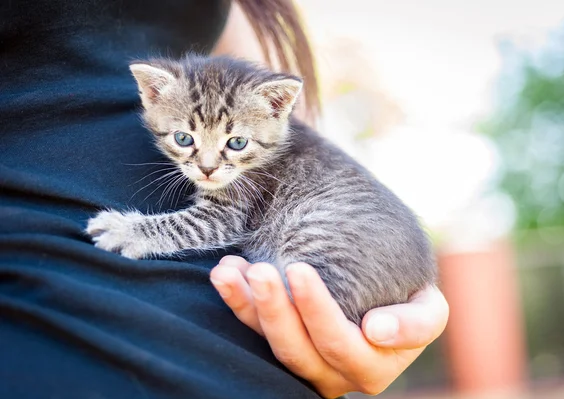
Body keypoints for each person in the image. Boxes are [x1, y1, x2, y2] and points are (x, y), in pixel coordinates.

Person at [0, 0, 449, 398]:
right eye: (185, 140)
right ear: (151, 96)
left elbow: (223, 221)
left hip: (250, 340)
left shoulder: (265, 140)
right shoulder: (179, 97)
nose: (209, 166)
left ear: (277, 111)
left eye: (234, 145)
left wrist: (139, 231)